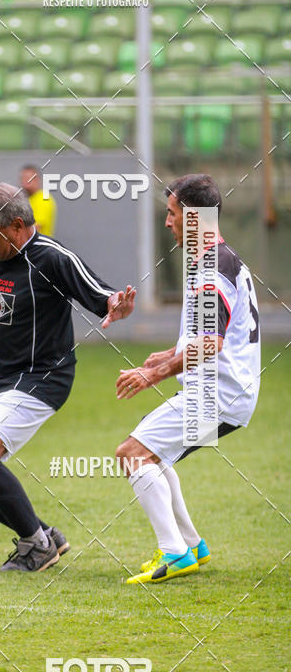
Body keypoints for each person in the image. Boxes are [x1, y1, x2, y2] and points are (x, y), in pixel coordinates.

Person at [0, 183, 135, 572]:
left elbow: (102, 294)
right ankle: (42, 533)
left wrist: (116, 304)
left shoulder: (52, 258)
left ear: (17, 225)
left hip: (43, 376)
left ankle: (35, 547)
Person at [115, 174, 260, 585]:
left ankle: (175, 553)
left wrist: (155, 373)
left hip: (219, 393)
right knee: (152, 455)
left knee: (132, 453)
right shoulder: (219, 259)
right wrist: (169, 354)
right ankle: (191, 545)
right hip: (227, 391)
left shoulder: (211, 269)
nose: (168, 222)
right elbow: (212, 336)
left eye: (172, 212)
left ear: (194, 218)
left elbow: (211, 345)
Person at [20, 164, 57, 236]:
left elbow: (34, 229)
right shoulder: (27, 199)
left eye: (28, 178)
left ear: (37, 180)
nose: (25, 181)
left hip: (39, 246)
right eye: (23, 178)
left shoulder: (43, 199)